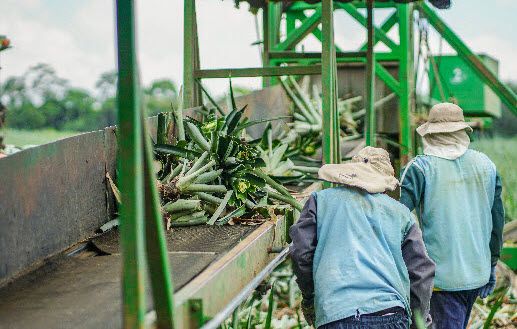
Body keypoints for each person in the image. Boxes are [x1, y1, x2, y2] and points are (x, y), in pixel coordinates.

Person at [290, 146, 436, 329]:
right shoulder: (401, 214)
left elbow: (301, 253)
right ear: (384, 187)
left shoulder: (320, 201)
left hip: (336, 313)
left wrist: (310, 298)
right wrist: (419, 322)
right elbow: (421, 271)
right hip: (389, 313)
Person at [399, 103, 505, 329]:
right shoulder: (486, 165)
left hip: (439, 281)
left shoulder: (419, 168)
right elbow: (497, 221)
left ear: (430, 134)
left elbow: (392, 217)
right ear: (462, 132)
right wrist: (492, 264)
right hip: (477, 275)